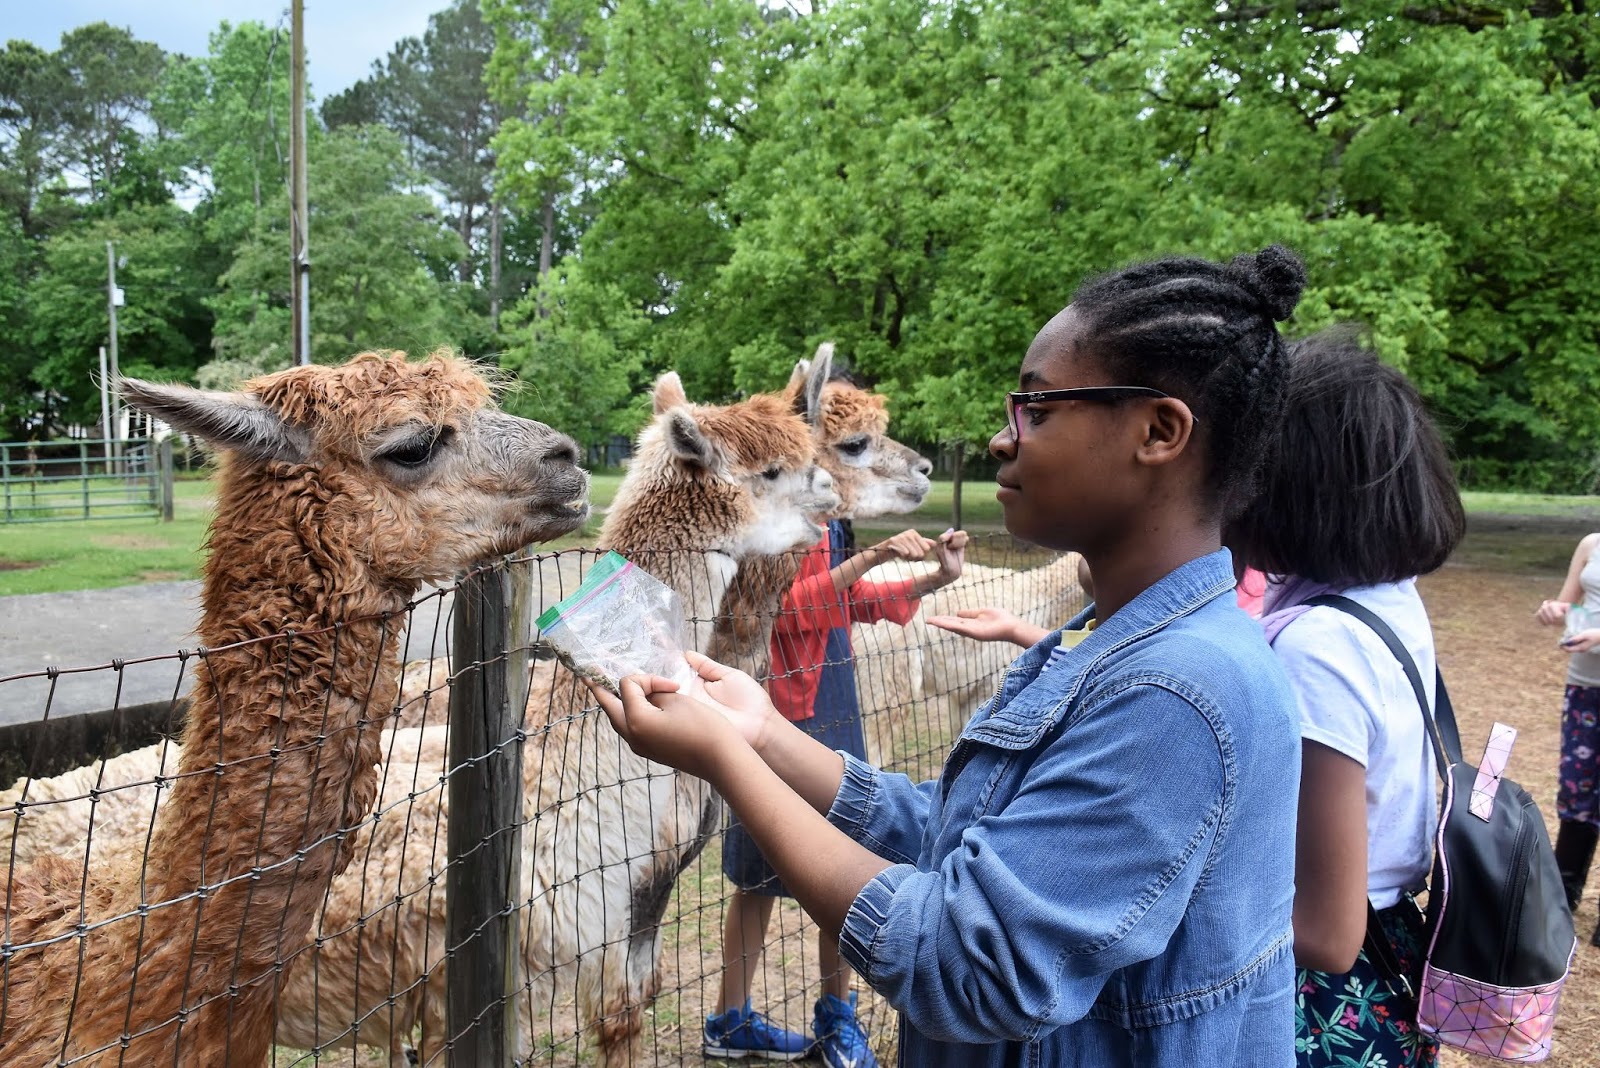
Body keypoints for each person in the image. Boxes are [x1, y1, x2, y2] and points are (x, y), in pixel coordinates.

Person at [587, 245, 1309, 1066]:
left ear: (1158, 432)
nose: (1002, 441)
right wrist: (762, 736)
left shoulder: (1175, 693)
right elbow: (970, 837)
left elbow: (967, 968)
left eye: (1037, 410)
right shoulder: (1100, 641)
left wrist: (727, 760)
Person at [1227, 331, 1465, 1068]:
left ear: (1285, 489)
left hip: (1324, 998)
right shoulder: (1385, 598)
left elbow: (1327, 932)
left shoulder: (1318, 648)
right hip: (1388, 947)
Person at [709, 521, 968, 1067]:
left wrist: (932, 579)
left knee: (844, 855)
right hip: (780, 704)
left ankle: (836, 1015)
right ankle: (730, 1020)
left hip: (830, 692)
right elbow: (785, 610)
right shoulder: (783, 515)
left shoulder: (830, 521)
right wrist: (874, 555)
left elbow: (847, 600)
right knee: (757, 873)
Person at [1536, 531, 1600, 945]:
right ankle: (1563, 895)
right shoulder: (1591, 544)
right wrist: (1555, 610)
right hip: (1585, 685)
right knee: (1577, 788)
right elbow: (1569, 604)